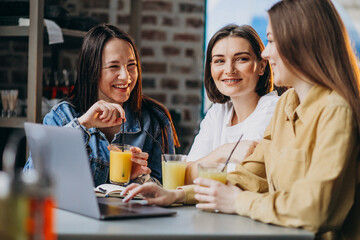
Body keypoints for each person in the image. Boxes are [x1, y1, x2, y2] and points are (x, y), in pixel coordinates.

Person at [122, 0, 360, 238]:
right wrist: (177, 195)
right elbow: (249, 176)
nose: (265, 52)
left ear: (303, 43)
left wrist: (238, 202)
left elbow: (316, 210)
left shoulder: (336, 110)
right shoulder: (288, 105)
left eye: (272, 40)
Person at [24, 24, 180, 186]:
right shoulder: (62, 116)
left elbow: (168, 188)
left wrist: (138, 178)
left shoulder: (154, 120)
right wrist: (83, 124)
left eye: (131, 65)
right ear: (92, 70)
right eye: (114, 66)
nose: (125, 76)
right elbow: (31, 181)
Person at [185, 24, 279, 184]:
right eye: (219, 61)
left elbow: (242, 179)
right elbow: (185, 175)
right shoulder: (217, 112)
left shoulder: (272, 109)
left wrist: (204, 165)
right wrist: (224, 152)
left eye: (241, 59)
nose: (229, 69)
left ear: (262, 66)